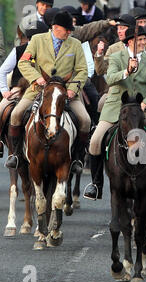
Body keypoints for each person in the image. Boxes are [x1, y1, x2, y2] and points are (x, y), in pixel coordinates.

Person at [83, 26, 146, 200]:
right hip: (117, 106)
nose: (143, 43)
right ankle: (95, 184)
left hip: (142, 107)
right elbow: (110, 78)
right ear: (130, 42)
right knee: (95, 141)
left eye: (144, 40)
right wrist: (127, 71)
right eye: (140, 40)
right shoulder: (116, 57)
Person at [5, 11, 90, 171]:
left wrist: (72, 89)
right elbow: (24, 63)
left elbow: (82, 70)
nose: (70, 32)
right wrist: (37, 78)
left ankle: (77, 159)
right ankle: (16, 154)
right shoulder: (37, 41)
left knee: (85, 121)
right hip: (38, 90)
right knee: (16, 115)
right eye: (67, 29)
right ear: (56, 27)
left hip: (67, 93)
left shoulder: (75, 44)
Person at [0, 21, 49, 158]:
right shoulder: (19, 51)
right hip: (20, 88)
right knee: (1, 108)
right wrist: (4, 91)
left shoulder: (49, 52)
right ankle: (9, 148)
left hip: (43, 89)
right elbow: (2, 71)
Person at [94, 14, 136, 112]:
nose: (119, 31)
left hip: (139, 91)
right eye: (118, 28)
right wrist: (99, 54)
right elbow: (100, 71)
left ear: (131, 29)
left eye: (122, 28)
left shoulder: (141, 45)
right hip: (117, 90)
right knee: (101, 104)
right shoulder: (113, 48)